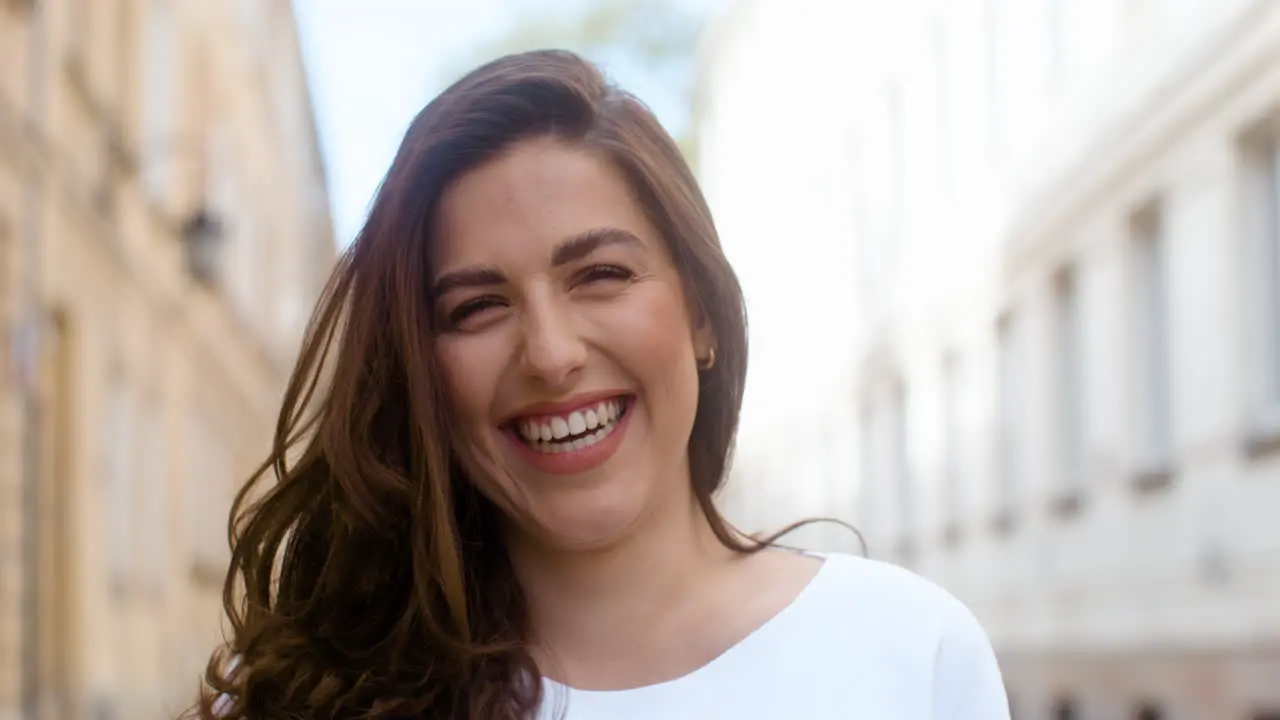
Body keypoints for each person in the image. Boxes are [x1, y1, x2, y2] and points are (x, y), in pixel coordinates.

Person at [186, 49, 1010, 720]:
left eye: (601, 275)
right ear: (421, 375)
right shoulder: (306, 702)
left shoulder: (910, 654)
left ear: (704, 317)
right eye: (476, 307)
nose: (550, 354)